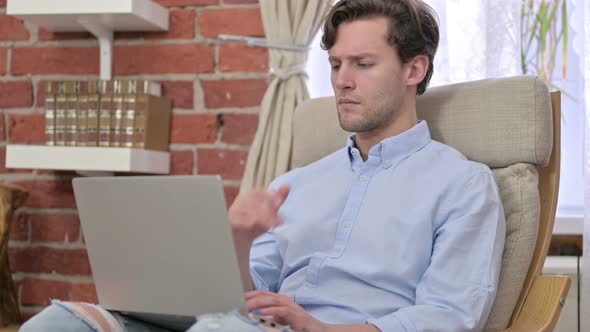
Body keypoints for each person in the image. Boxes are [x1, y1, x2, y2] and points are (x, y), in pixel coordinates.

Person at [20, 0, 505, 331]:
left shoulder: (462, 185)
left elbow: (447, 317)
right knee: (60, 322)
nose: (342, 82)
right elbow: (241, 296)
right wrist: (236, 238)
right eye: (336, 65)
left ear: (413, 70)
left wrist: (317, 326)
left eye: (363, 63)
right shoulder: (295, 184)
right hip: (241, 325)